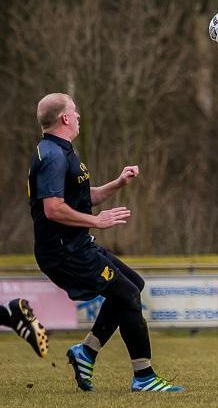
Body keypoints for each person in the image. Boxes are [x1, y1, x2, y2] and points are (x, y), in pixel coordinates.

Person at [28, 93, 183, 392]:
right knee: (126, 294)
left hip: (77, 245)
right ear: (65, 118)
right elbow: (53, 208)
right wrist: (97, 221)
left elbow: (85, 198)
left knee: (132, 285)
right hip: (64, 253)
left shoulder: (62, 151)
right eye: (75, 111)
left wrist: (118, 183)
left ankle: (85, 352)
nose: (78, 116)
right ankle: (144, 376)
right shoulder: (52, 156)